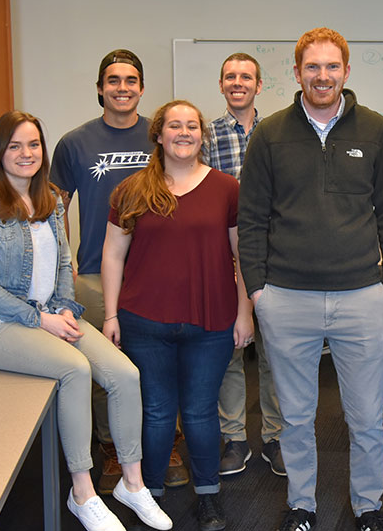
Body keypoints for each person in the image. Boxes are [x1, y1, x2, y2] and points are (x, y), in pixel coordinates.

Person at [0, 110, 172, 531]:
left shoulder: (51, 199)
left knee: (125, 373)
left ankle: (132, 482)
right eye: (15, 146)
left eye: (33, 144)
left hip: (50, 315)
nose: (26, 153)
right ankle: (82, 492)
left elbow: (62, 267)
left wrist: (67, 310)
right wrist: (41, 319)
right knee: (75, 370)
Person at [238, 27, 383, 531]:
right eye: (312, 67)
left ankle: (369, 505)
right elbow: (252, 219)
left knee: (366, 418)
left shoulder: (374, 129)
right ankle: (301, 505)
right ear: (297, 74)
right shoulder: (269, 133)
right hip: (287, 297)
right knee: (295, 416)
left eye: (332, 66)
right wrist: (258, 291)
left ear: (346, 72)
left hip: (362, 295)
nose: (322, 76)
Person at [102, 100, 253, 531]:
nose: (183, 133)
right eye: (174, 126)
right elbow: (113, 254)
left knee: (202, 412)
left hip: (212, 322)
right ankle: (150, 494)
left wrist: (245, 314)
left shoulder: (227, 188)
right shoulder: (132, 189)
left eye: (191, 126)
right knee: (158, 412)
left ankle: (208, 496)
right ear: (159, 135)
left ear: (202, 135)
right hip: (144, 321)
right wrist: (110, 315)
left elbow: (243, 257)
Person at [50, 48, 188, 493]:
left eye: (131, 80)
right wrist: (57, 262)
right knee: (102, 367)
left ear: (141, 88)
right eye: (113, 80)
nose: (122, 88)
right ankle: (110, 446)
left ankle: (165, 441)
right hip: (93, 272)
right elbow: (54, 206)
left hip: (155, 273)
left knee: (162, 361)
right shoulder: (75, 143)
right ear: (99, 89)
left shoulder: (159, 138)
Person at [202, 52, 285, 478]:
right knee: (229, 351)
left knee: (275, 352)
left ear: (258, 85)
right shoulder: (205, 136)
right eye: (230, 76)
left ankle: (274, 437)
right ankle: (234, 437)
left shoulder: (278, 133)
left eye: (246, 77)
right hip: (222, 256)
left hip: (276, 258)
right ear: (221, 85)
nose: (238, 83)